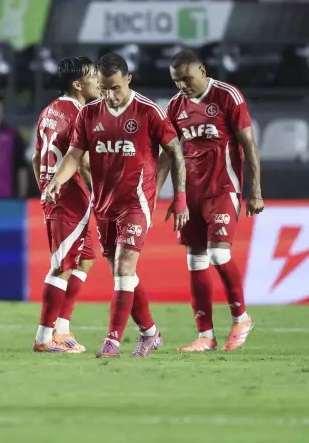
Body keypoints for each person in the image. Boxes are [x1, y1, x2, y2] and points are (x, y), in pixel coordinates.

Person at [44, 53, 189, 358]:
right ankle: (150, 333)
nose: (110, 95)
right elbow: (73, 154)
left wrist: (179, 198)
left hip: (136, 202)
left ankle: (112, 342)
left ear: (128, 80)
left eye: (115, 88)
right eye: (105, 88)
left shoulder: (149, 111)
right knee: (124, 276)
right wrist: (57, 180)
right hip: (104, 203)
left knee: (124, 268)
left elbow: (175, 152)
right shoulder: (89, 113)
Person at [157, 49, 263, 352]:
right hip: (190, 194)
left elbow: (249, 145)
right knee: (195, 260)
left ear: (202, 70)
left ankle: (241, 317)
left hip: (222, 189)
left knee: (219, 255)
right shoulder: (175, 106)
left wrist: (254, 191)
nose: (182, 86)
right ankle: (206, 335)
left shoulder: (227, 95)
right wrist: (153, 195)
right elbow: (169, 155)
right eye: (177, 81)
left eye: (186, 79)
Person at [31, 57, 100, 354]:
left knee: (85, 259)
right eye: (92, 76)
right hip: (70, 199)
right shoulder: (80, 114)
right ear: (78, 84)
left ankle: (62, 328)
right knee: (61, 266)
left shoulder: (49, 110)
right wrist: (101, 194)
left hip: (61, 196)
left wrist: (45, 187)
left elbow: (36, 157)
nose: (97, 80)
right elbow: (82, 161)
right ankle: (44, 339)